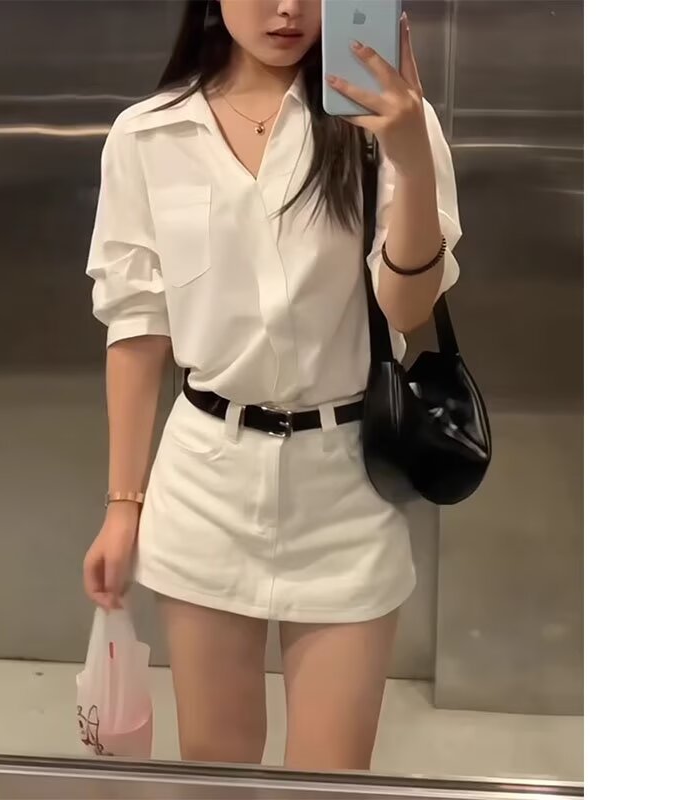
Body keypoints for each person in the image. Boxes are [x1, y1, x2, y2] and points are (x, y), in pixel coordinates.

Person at [83, 0, 461, 772]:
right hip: (205, 483)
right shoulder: (149, 133)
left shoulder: (387, 121)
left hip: (345, 487)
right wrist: (124, 507)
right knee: (215, 768)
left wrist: (411, 156)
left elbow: (407, 308)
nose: (288, 8)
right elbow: (137, 326)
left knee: (331, 779)